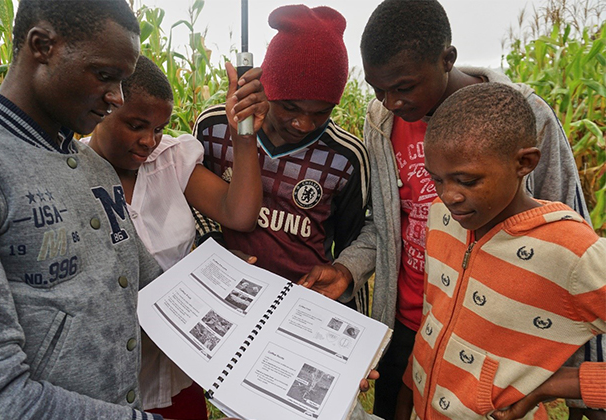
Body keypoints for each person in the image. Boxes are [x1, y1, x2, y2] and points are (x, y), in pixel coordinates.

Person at [0, 1, 239, 419]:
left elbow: (152, 287)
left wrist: (250, 311)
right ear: (42, 46)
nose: (116, 98)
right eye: (106, 76)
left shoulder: (94, 169)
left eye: (122, 82)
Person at [299, 1, 595, 418]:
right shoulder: (381, 122)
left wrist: (583, 387)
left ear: (446, 59)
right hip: (411, 323)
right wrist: (349, 269)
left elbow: (570, 244)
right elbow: (387, 225)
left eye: (403, 87)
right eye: (378, 90)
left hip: (494, 338)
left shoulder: (524, 117)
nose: (391, 101)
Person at [397, 82, 606, 420]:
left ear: (525, 163)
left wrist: (562, 383)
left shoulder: (571, 251)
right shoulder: (441, 217)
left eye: (467, 181)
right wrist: (407, 397)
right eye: (437, 179)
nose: (449, 196)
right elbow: (433, 323)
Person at [84, 55, 267, 419]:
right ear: (104, 107)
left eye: (159, 128)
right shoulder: (73, 174)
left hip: (179, 372)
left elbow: (240, 214)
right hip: (111, 381)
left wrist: (242, 136)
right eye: (136, 125)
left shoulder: (170, 160)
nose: (149, 141)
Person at [193, 4, 370, 314]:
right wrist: (216, 247)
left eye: (321, 113)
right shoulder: (214, 129)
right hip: (224, 295)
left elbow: (353, 242)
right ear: (266, 89)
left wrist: (343, 276)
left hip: (301, 308)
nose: (303, 124)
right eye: (289, 108)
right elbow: (190, 200)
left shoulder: (346, 158)